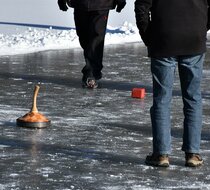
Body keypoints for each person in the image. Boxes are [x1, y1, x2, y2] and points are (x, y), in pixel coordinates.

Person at [134, 0, 210, 167]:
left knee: (162, 99)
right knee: (193, 98)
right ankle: (193, 153)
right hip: (193, 38)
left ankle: (161, 154)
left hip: (163, 39)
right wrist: (201, 28)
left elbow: (141, 6)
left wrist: (149, 36)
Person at [57, 0, 126, 89]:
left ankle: (91, 73)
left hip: (101, 5)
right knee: (84, 37)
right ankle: (93, 70)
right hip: (80, 4)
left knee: (96, 38)